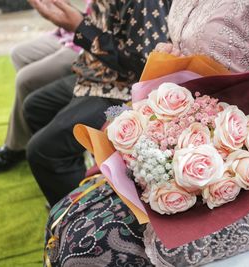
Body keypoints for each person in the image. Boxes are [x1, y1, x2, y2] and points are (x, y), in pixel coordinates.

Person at [43, 1, 249, 266]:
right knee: (64, 213)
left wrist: (191, 157)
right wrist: (165, 76)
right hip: (174, 141)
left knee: (86, 246)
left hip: (242, 179)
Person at [24, 0, 172, 207]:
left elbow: (144, 66)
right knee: (35, 106)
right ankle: (68, 187)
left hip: (123, 91)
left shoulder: (144, 4)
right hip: (98, 76)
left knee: (43, 150)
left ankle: (82, 215)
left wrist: (80, 27)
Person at [0, 2, 90, 171]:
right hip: (71, 33)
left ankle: (17, 146)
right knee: (19, 55)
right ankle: (34, 130)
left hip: (88, 41)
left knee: (26, 80)